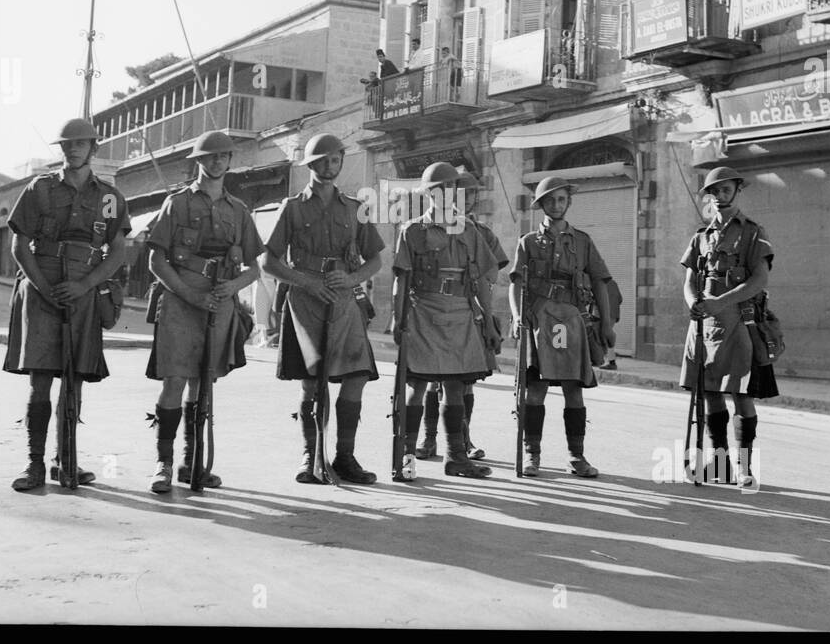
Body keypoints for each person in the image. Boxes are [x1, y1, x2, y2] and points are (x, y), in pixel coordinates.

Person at [4, 118, 131, 491]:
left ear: (94, 147)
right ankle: (35, 465)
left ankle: (67, 462)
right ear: (61, 149)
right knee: (40, 381)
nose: (73, 149)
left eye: (81, 143)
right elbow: (19, 245)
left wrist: (86, 285)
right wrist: (42, 288)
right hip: (41, 288)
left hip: (83, 292)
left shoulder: (108, 197)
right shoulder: (40, 189)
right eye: (67, 144)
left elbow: (118, 251)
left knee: (73, 383)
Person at [262, 132, 385, 484]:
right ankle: (310, 456)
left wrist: (352, 279)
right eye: (322, 161)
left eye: (335, 160)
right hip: (306, 301)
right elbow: (268, 261)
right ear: (310, 165)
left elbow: (375, 258)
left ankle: (345, 456)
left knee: (357, 377)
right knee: (311, 384)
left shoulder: (355, 208)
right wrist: (306, 282)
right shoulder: (293, 207)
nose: (329, 167)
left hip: (345, 300)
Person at [144, 130, 263, 493]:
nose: (216, 162)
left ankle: (191, 463)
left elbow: (255, 269)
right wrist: (186, 294)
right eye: (210, 156)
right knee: (175, 382)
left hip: (219, 301)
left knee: (203, 384)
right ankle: (162, 465)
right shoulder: (177, 204)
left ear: (230, 161)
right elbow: (155, 260)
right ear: (198, 160)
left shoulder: (238, 211)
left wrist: (233, 287)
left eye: (223, 156)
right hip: (181, 300)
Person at [393, 162, 499, 479]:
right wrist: (399, 321)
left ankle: (456, 457)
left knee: (455, 387)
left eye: (452, 188)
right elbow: (401, 279)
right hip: (423, 311)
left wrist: (490, 321)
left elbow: (481, 279)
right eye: (438, 190)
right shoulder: (412, 230)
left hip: (461, 312)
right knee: (417, 386)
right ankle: (406, 457)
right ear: (428, 195)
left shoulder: (469, 230)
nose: (446, 195)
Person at [509, 176, 615, 478]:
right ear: (541, 204)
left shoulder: (582, 241)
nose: (557, 205)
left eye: (562, 199)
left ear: (569, 202)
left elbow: (600, 281)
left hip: (572, 319)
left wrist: (606, 323)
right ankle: (533, 455)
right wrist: (518, 316)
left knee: (574, 390)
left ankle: (576, 456)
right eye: (550, 200)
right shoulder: (528, 242)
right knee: (536, 391)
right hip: (539, 319)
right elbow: (516, 284)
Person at [680, 166, 777, 487]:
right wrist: (693, 300)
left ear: (737, 190)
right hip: (705, 325)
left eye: (725, 190)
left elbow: (759, 280)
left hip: (739, 320)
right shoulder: (701, 236)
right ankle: (719, 464)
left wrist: (721, 302)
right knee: (710, 393)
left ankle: (744, 466)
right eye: (714, 192)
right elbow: (690, 280)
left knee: (741, 392)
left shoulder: (752, 232)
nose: (719, 197)